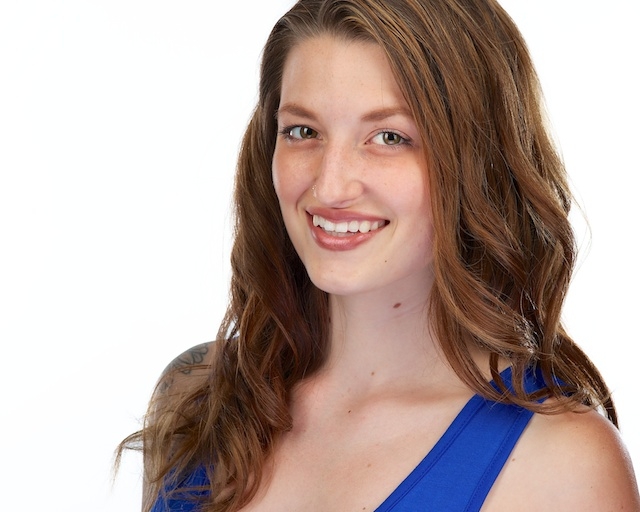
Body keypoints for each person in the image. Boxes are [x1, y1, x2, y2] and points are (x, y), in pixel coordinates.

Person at [118, 0, 640, 510]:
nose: (329, 186)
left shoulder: (561, 467)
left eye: (389, 137)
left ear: (477, 162)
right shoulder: (196, 397)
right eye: (303, 131)